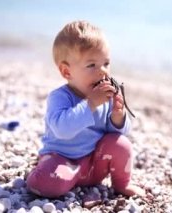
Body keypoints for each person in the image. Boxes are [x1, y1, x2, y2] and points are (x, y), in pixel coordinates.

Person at [26, 20, 145, 199]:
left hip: (93, 166)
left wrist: (117, 117)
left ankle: (122, 184)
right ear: (67, 72)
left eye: (106, 63)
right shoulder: (60, 97)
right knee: (46, 184)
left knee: (121, 143)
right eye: (92, 65)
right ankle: (41, 172)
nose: (103, 72)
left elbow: (113, 135)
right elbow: (62, 129)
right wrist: (90, 104)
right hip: (62, 160)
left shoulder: (104, 98)